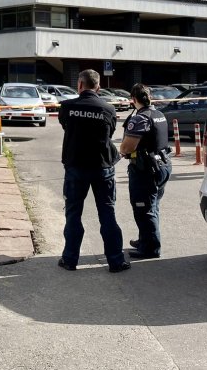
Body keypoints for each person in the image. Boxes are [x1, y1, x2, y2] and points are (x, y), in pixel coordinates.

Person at [57, 69, 130, 273]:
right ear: (98, 87)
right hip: (102, 167)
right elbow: (111, 132)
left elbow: (65, 126)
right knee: (107, 213)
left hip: (75, 167)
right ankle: (115, 261)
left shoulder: (67, 107)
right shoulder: (108, 109)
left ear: (79, 85)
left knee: (73, 214)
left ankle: (70, 259)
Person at [119, 83, 172, 260]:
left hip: (146, 169)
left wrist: (122, 150)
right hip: (162, 165)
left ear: (133, 99)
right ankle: (146, 239)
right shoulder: (159, 114)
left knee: (144, 207)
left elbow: (128, 146)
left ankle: (150, 248)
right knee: (153, 204)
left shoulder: (140, 118)